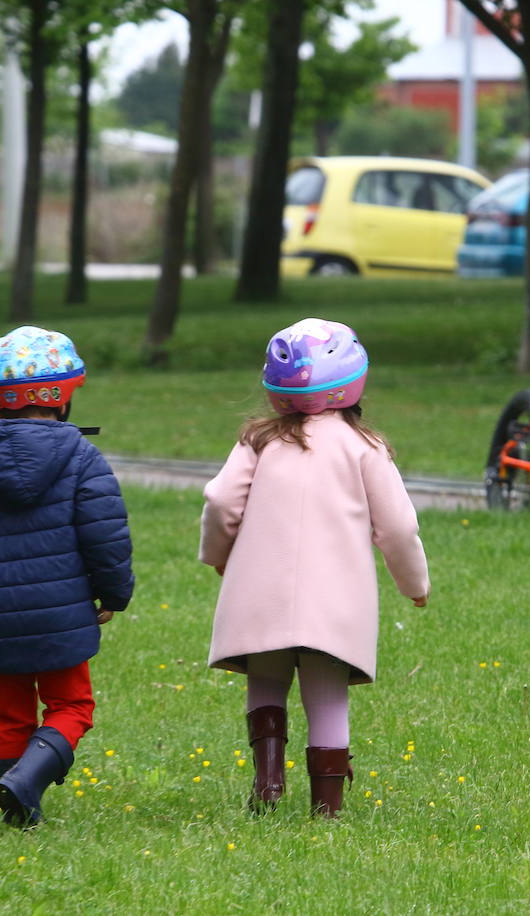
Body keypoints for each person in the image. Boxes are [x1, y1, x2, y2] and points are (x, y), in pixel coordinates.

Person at [199, 318, 430, 818]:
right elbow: (397, 527)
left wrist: (218, 555)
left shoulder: (257, 442)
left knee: (265, 681)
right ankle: (326, 808)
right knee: (327, 697)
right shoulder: (364, 448)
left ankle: (267, 784)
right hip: (335, 603)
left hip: (261, 594)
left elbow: (220, 501)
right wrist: (414, 583)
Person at [0, 325, 133, 829]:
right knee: (72, 706)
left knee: (9, 714)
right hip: (62, 614)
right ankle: (23, 784)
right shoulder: (82, 458)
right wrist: (114, 594)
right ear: (60, 400)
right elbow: (105, 534)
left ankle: (21, 815)